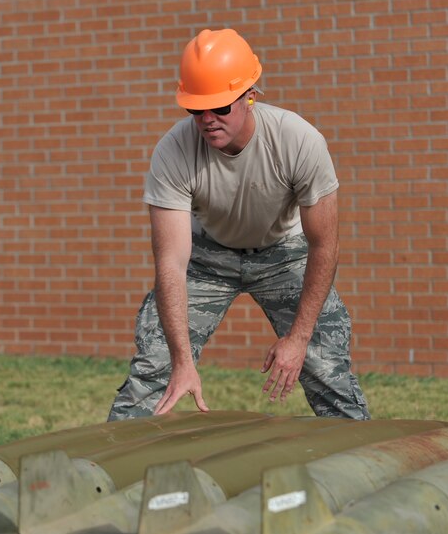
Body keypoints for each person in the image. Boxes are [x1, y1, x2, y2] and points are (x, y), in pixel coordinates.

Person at [108, 28, 369, 423]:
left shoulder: (299, 141)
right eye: (196, 110)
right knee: (156, 363)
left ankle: (358, 453)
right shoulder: (173, 152)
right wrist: (182, 361)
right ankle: (115, 458)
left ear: (250, 96)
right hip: (207, 256)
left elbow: (324, 246)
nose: (207, 120)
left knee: (324, 362)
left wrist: (298, 339)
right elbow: (171, 263)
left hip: (284, 253)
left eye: (219, 107)